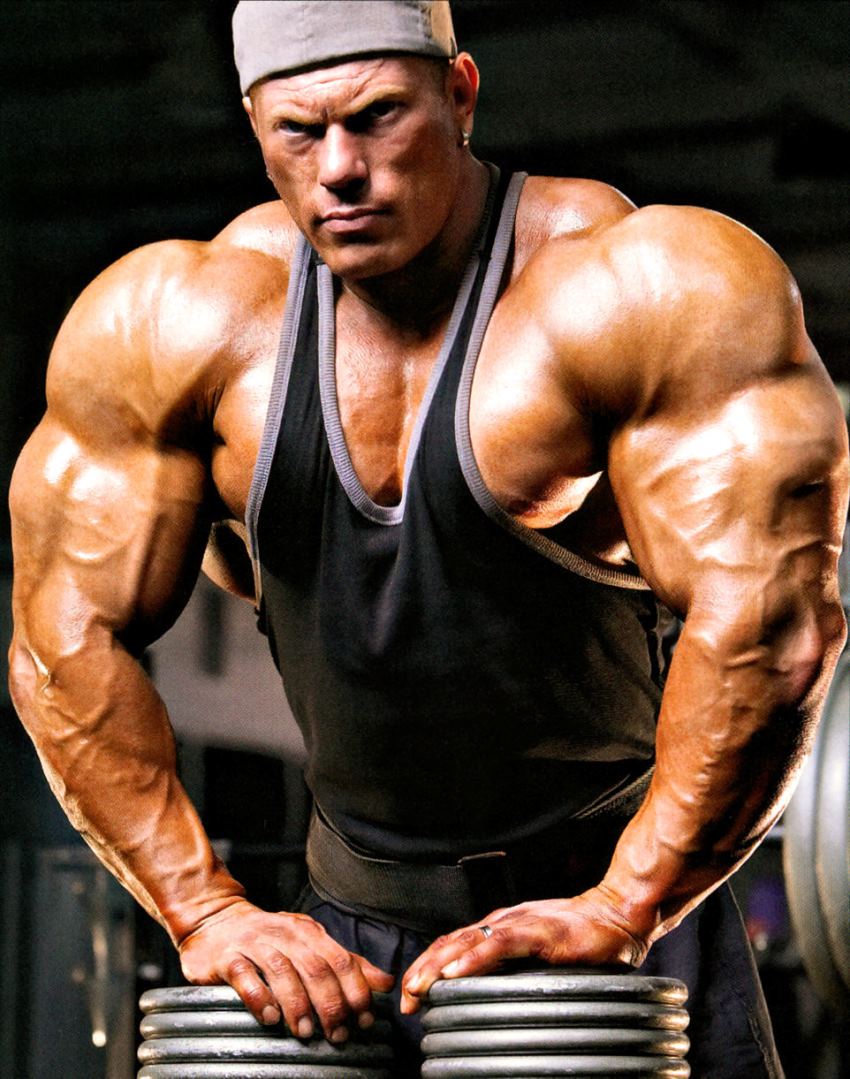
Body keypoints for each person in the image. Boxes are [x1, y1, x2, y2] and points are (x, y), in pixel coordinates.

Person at [8, 1, 848, 1075]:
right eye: (299, 134)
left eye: (376, 117)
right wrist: (206, 909)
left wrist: (628, 901)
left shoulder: (639, 287)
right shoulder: (180, 324)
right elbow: (61, 641)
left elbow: (770, 629)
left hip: (616, 917)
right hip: (345, 931)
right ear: (254, 122)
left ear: (458, 94)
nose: (340, 169)